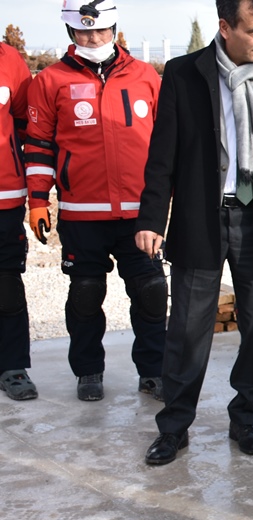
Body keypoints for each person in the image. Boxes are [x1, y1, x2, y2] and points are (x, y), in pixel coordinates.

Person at [135, 0, 253, 466]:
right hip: (201, 218)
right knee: (187, 330)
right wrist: (152, 219)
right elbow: (162, 154)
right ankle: (174, 427)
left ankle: (246, 418)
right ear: (224, 27)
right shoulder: (183, 75)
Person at [24, 0, 165, 402]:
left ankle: (154, 371)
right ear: (71, 31)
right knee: (86, 294)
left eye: (101, 31)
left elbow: (165, 145)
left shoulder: (144, 76)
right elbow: (37, 147)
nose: (94, 38)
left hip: (140, 214)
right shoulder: (50, 81)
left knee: (151, 292)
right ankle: (88, 371)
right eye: (84, 31)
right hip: (82, 214)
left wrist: (168, 202)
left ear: (115, 28)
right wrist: (37, 201)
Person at [0, 42, 35, 401]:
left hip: (4, 195)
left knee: (6, 284)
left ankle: (12, 366)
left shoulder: (8, 59)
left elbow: (28, 123)